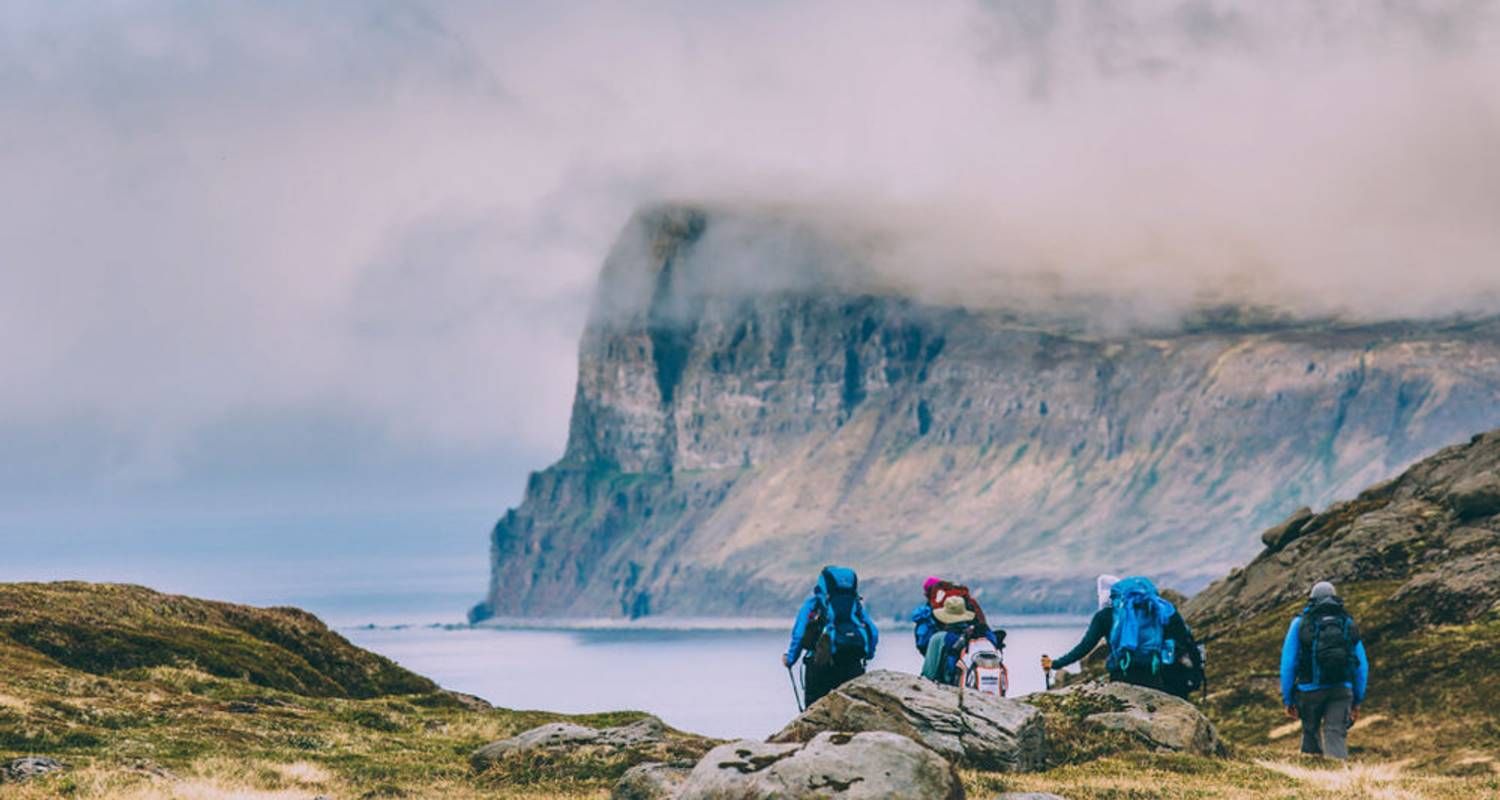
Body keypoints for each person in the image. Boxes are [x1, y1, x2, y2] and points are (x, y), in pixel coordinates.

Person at [1041, 575, 1203, 698]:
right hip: (1154, 678)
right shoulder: (1156, 611)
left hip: (1121, 677)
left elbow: (1085, 647)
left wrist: (1055, 664)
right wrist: (1196, 672)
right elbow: (1185, 641)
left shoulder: (1104, 616)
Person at [1280, 581, 1368, 760]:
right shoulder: (1346, 622)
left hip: (1309, 691)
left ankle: (1312, 777)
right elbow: (1362, 666)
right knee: (1335, 734)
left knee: (1310, 732)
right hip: (1341, 690)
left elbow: (1288, 664)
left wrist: (1288, 699)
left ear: (1311, 599)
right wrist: (1357, 700)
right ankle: (1339, 781)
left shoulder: (1299, 623)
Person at [783, 566, 879, 707]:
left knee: (814, 711)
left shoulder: (814, 603)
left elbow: (799, 633)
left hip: (820, 664)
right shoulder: (855, 605)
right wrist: (869, 654)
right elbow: (874, 632)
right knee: (851, 709)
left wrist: (790, 659)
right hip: (852, 663)